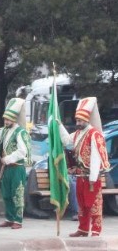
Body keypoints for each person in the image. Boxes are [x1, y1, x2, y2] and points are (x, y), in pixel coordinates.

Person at [57, 97, 110, 237]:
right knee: (82, 204)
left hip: (91, 176)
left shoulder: (94, 134)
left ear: (87, 120)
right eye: (77, 120)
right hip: (80, 175)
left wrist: (93, 176)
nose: (78, 123)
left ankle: (96, 230)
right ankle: (83, 228)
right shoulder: (78, 133)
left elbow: (96, 157)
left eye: (80, 121)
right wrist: (59, 126)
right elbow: (67, 140)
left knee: (94, 204)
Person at [0, 98, 31, 230]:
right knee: (6, 194)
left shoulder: (20, 132)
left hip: (17, 168)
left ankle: (18, 220)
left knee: (17, 193)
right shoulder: (4, 131)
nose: (6, 122)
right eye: (5, 119)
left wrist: (8, 158)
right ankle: (9, 218)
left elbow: (23, 151)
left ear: (14, 120)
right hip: (7, 169)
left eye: (8, 120)